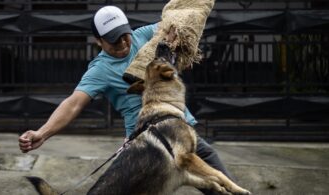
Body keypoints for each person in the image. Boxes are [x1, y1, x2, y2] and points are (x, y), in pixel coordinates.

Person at [19, 5, 232, 194]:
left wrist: (181, 28)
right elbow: (73, 104)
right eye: (113, 39)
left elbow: (174, 25)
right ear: (99, 41)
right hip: (146, 146)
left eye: (124, 35)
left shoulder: (145, 35)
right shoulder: (100, 70)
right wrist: (42, 133)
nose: (122, 42)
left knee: (223, 184)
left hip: (182, 130)